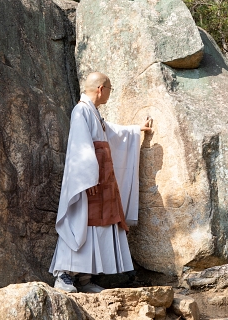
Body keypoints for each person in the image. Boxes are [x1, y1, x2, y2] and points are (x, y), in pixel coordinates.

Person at [49, 72, 153, 293]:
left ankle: (85, 278)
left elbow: (110, 133)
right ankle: (64, 275)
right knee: (81, 222)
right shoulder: (81, 110)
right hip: (88, 180)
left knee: (100, 223)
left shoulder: (93, 112)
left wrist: (135, 130)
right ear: (100, 89)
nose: (109, 93)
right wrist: (88, 177)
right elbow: (81, 146)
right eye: (110, 89)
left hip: (101, 179)